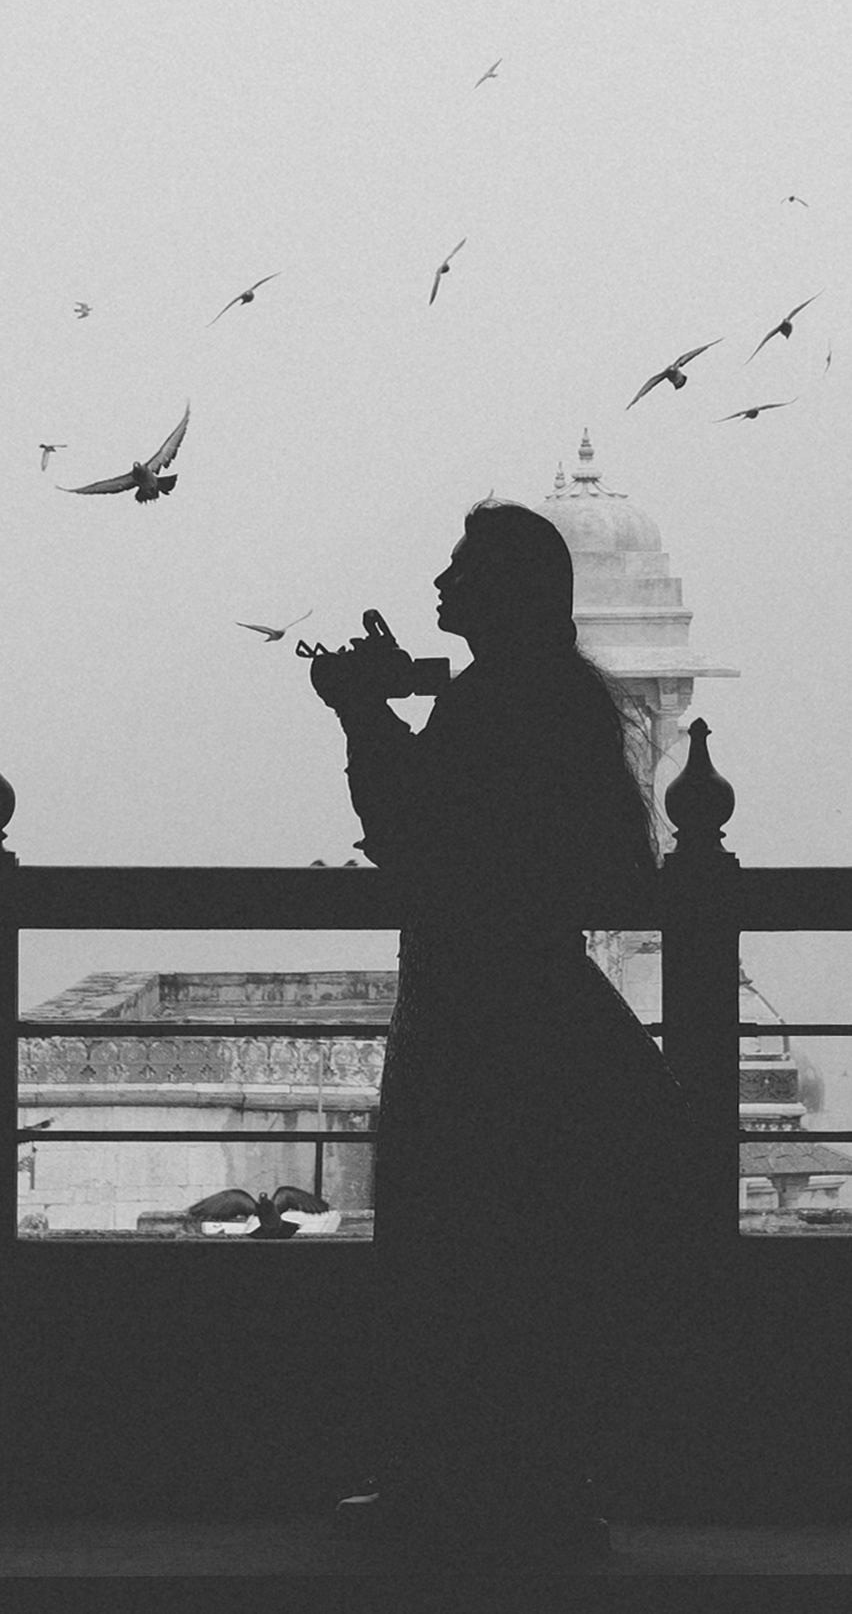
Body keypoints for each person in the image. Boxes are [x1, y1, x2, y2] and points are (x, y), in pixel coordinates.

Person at [311, 500, 703, 1568]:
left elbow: (419, 833)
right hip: (530, 1004)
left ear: (504, 593)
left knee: (462, 1260)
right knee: (520, 1265)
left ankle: (456, 1495)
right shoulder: (545, 695)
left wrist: (360, 715)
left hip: (480, 1017)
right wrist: (402, 694)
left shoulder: (503, 705)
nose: (441, 580)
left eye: (461, 567)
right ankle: (528, 1488)